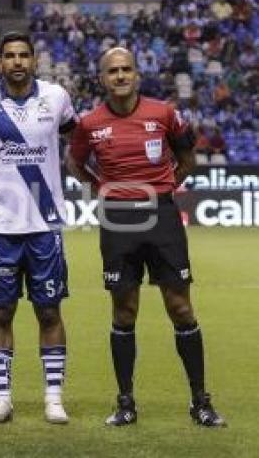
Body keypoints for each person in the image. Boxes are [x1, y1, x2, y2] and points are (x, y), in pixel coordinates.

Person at [68, 47, 226, 428]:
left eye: (126, 69)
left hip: (162, 215)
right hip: (118, 220)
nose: (120, 76)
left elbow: (188, 156)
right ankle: (125, 403)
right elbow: (74, 162)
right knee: (124, 310)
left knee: (181, 307)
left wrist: (165, 187)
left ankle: (200, 402)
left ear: (137, 74)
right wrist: (100, 186)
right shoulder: (88, 123)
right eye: (112, 71)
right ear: (102, 78)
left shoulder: (164, 113)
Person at [0, 32, 77, 424]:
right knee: (0, 312)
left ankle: (54, 397)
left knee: (49, 311)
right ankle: (2, 398)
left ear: (34, 60)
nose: (16, 62)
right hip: (0, 225)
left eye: (23, 55)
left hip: (45, 225)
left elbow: (73, 138)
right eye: (9, 55)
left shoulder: (57, 97)